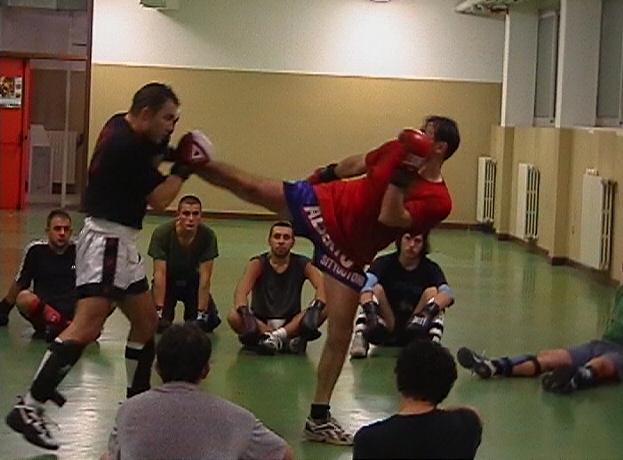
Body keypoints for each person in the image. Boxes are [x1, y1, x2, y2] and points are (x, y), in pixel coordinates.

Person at [172, 115, 460, 445]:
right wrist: (323, 174)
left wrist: (401, 178)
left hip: (350, 250)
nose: (418, 135)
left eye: (427, 134)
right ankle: (191, 161)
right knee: (253, 188)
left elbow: (390, 216)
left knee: (340, 332)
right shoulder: (399, 148)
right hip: (325, 205)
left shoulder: (439, 200)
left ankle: (318, 419)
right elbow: (359, 163)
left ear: (440, 148)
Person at [5, 82, 193, 450]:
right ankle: (30, 406)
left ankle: (137, 405)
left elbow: (152, 151)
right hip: (108, 242)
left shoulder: (119, 124)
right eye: (168, 119)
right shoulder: (127, 149)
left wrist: (172, 151)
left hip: (119, 243)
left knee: (146, 321)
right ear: (145, 114)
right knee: (86, 327)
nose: (172, 126)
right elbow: (160, 199)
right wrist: (185, 168)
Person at [457, 249, 623, 394]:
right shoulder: (622, 290)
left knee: (600, 364)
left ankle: (573, 379)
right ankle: (494, 366)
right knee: (550, 356)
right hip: (602, 344)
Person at [101, 322, 294, 460]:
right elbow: (285, 455)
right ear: (205, 371)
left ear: (157, 366)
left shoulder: (128, 411)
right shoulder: (237, 418)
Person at [352, 339, 482, 459]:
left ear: (397, 379)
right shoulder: (466, 426)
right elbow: (471, 412)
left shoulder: (369, 440)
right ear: (448, 385)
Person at [228, 220, 327, 355]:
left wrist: (316, 308)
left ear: (292, 242)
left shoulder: (303, 263)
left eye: (286, 238)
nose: (281, 241)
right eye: (277, 237)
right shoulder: (257, 263)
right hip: (262, 322)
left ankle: (273, 338)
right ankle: (283, 341)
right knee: (233, 315)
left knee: (326, 308)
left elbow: (322, 287)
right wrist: (245, 313)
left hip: (291, 323)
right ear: (269, 241)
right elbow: (241, 292)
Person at [350, 231, 454, 359]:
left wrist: (428, 312)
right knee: (373, 289)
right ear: (400, 240)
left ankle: (433, 345)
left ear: (423, 244)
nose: (412, 245)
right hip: (388, 323)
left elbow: (447, 294)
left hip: (415, 325)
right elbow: (364, 285)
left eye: (417, 241)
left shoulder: (430, 268)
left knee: (433, 293)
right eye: (408, 239)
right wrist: (371, 312)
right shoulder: (384, 262)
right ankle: (360, 336)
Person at [148, 194, 221, 333]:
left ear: (200, 216)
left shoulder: (208, 236)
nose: (191, 219)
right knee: (154, 323)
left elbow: (205, 278)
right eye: (186, 214)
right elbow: (159, 274)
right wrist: (158, 311)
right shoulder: (162, 234)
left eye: (195, 214)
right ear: (178, 215)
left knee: (208, 323)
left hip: (192, 283)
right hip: (168, 282)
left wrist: (201, 314)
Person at [0, 209, 77, 341]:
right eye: (57, 229)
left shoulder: (79, 250)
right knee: (23, 298)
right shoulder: (36, 251)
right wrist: (4, 308)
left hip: (73, 310)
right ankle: (65, 327)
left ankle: (68, 327)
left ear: (71, 232)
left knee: (109, 297)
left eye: (66, 229)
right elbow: (21, 282)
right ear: (47, 231)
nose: (62, 233)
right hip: (44, 313)